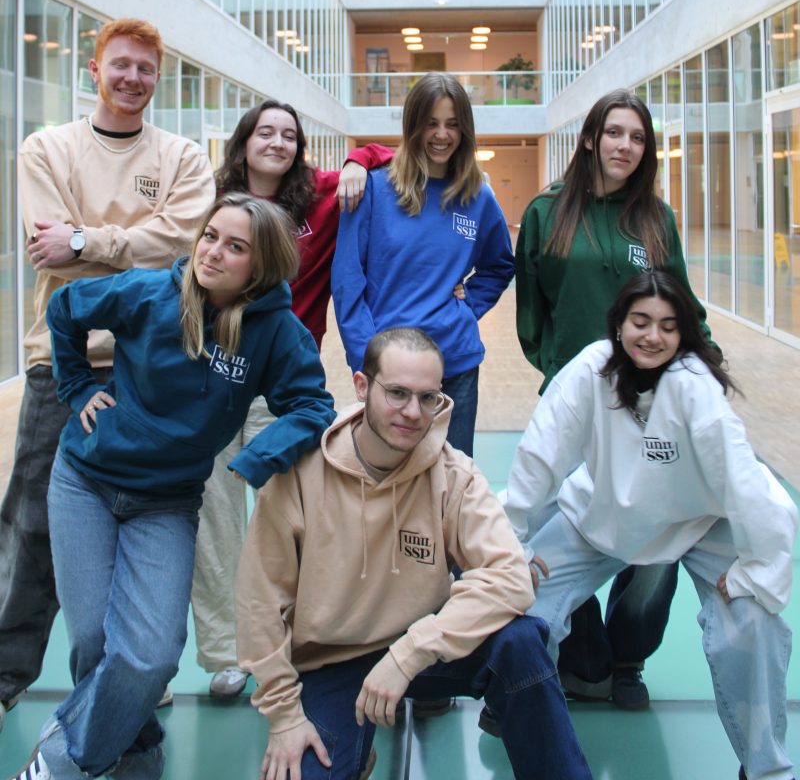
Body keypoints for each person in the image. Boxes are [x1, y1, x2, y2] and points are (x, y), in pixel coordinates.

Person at [9, 193, 335, 780]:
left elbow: (313, 404)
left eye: (235, 247)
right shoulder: (151, 291)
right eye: (210, 236)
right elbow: (65, 309)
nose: (212, 252)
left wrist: (256, 459)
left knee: (151, 657)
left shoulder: (276, 332)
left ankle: (61, 757)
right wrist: (78, 387)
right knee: (93, 644)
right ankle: (136, 753)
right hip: (85, 481)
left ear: (260, 265)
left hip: (166, 502)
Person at [235, 326, 594, 780]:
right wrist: (284, 716)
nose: (413, 412)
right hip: (331, 660)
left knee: (520, 642)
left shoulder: (453, 474)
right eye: (397, 393)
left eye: (428, 398)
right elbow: (259, 602)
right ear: (362, 386)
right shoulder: (301, 470)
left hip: (423, 646)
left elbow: (510, 577)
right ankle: (352, 748)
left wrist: (410, 653)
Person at [0, 18, 214, 733]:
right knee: (32, 525)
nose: (132, 78)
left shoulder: (183, 158)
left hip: (155, 366)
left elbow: (183, 249)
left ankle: (128, 680)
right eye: (119, 65)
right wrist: (129, 248)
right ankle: (5, 676)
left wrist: (88, 239)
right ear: (93, 70)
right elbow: (49, 250)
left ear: (158, 77)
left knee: (144, 519)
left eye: (145, 69)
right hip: (63, 363)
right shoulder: (47, 149)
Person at [500, 271, 797, 780]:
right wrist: (513, 543)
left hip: (699, 522)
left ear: (683, 334)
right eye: (641, 321)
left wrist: (760, 568)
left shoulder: (695, 387)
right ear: (619, 324)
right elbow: (540, 456)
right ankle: (519, 712)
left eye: (668, 326)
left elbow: (746, 482)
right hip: (601, 515)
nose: (652, 336)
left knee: (753, 622)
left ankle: (766, 769)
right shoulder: (589, 370)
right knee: (521, 607)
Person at [514, 88, 713, 710]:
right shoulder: (548, 212)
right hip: (576, 405)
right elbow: (531, 312)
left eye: (637, 137)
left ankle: (628, 659)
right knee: (563, 532)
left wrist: (707, 377)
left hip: (654, 407)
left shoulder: (655, 218)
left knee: (655, 545)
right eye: (615, 133)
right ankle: (585, 659)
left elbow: (682, 304)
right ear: (590, 139)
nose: (625, 146)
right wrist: (561, 370)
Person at [192, 100, 392, 698]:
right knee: (215, 520)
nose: (277, 142)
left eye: (289, 135)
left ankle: (301, 637)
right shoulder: (212, 199)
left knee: (295, 513)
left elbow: (388, 153)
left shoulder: (320, 198)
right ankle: (226, 652)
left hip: (281, 383)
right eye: (265, 132)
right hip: (210, 376)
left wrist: (357, 160)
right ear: (243, 141)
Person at [332, 73, 514, 458]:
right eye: (431, 123)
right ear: (413, 125)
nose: (442, 135)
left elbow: (499, 265)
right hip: (389, 371)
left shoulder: (477, 196)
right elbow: (348, 281)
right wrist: (367, 359)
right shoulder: (374, 188)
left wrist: (469, 304)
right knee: (386, 477)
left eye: (452, 124)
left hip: (455, 364)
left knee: (451, 479)